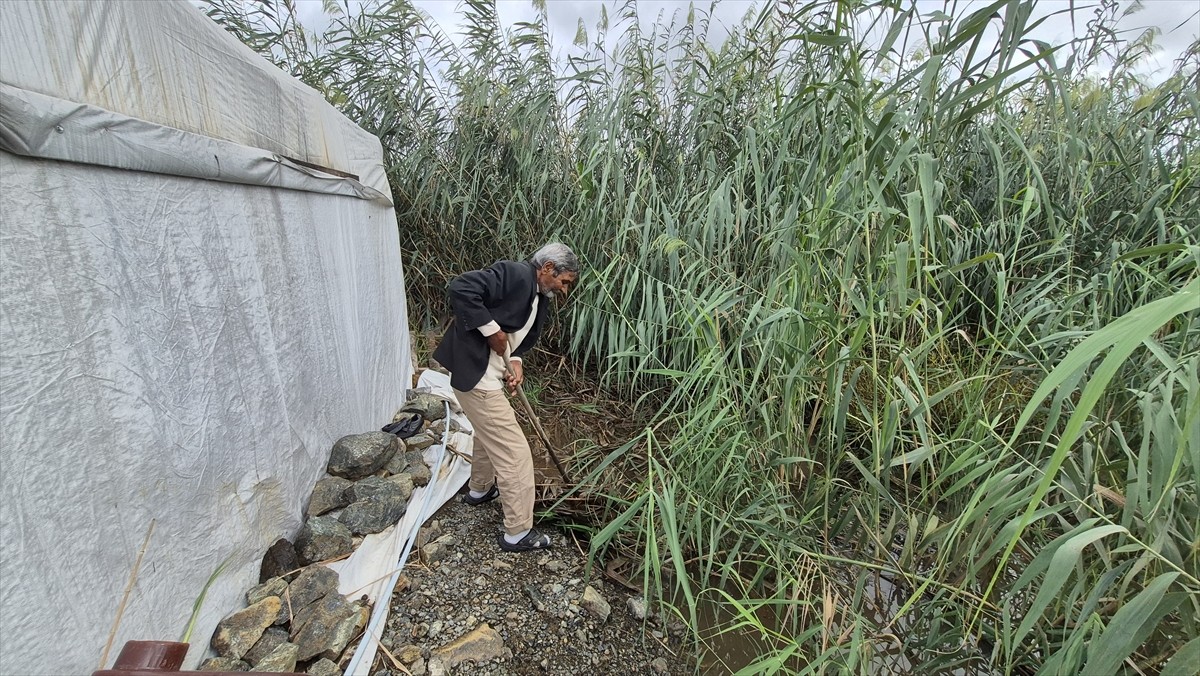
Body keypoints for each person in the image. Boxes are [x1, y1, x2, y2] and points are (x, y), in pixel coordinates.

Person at [433, 243, 580, 552]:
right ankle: (517, 532)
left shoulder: (540, 296)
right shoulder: (515, 274)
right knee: (514, 452)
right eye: (564, 281)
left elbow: (518, 336)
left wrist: (516, 361)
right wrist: (490, 331)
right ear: (548, 268)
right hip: (477, 377)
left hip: (489, 373)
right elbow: (462, 287)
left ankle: (479, 490)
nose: (565, 290)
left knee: (489, 435)